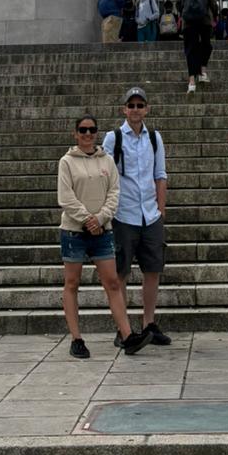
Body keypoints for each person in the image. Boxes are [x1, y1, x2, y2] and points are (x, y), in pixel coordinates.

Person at [57, 113, 151, 359]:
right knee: (72, 283)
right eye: (83, 130)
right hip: (74, 231)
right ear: (75, 133)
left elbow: (114, 193)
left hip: (102, 230)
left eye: (91, 130)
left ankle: (127, 334)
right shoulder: (66, 162)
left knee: (112, 282)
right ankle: (76, 338)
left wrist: (99, 219)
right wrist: (87, 219)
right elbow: (65, 198)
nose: (87, 134)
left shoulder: (106, 160)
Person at [102, 86, 171, 347]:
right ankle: (123, 328)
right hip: (124, 214)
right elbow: (106, 175)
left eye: (140, 105)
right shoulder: (114, 138)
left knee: (152, 270)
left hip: (150, 215)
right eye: (131, 105)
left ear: (147, 109)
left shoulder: (154, 138)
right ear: (124, 109)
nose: (135, 110)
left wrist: (160, 211)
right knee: (120, 273)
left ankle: (148, 323)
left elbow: (160, 175)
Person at [173, 0, 217, 94]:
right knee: (206, 45)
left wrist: (185, 12)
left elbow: (178, 4)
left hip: (189, 22)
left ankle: (192, 81)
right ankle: (203, 72)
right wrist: (215, 15)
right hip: (204, 20)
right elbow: (212, 2)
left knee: (190, 50)